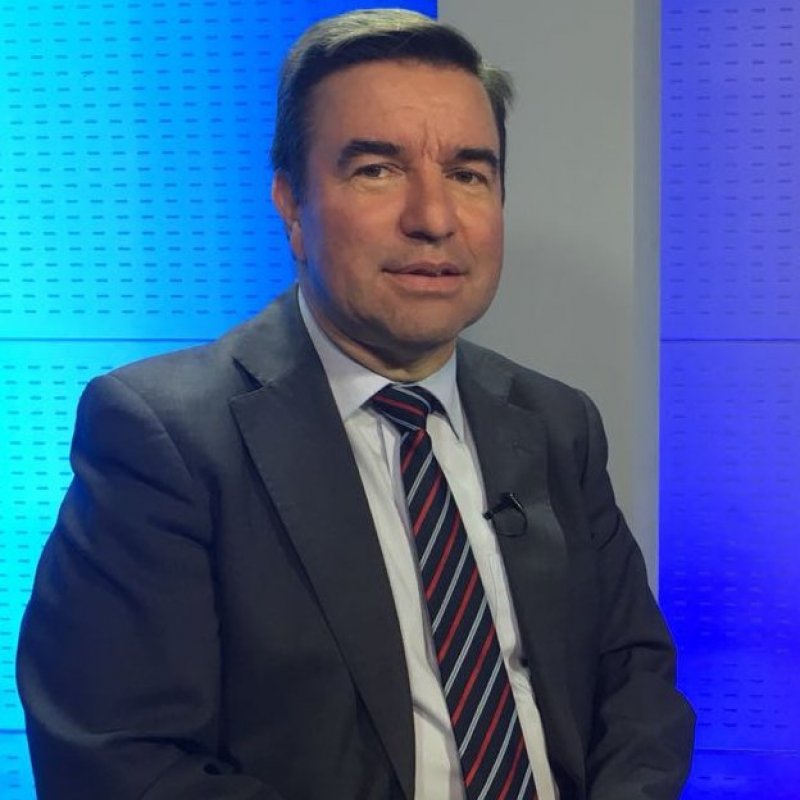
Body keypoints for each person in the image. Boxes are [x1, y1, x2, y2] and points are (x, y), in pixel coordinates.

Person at [17, 9, 695, 800]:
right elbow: (117, 759)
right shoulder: (161, 435)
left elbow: (635, 683)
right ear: (291, 205)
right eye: (377, 169)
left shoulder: (556, 422)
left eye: (469, 174)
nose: (433, 218)